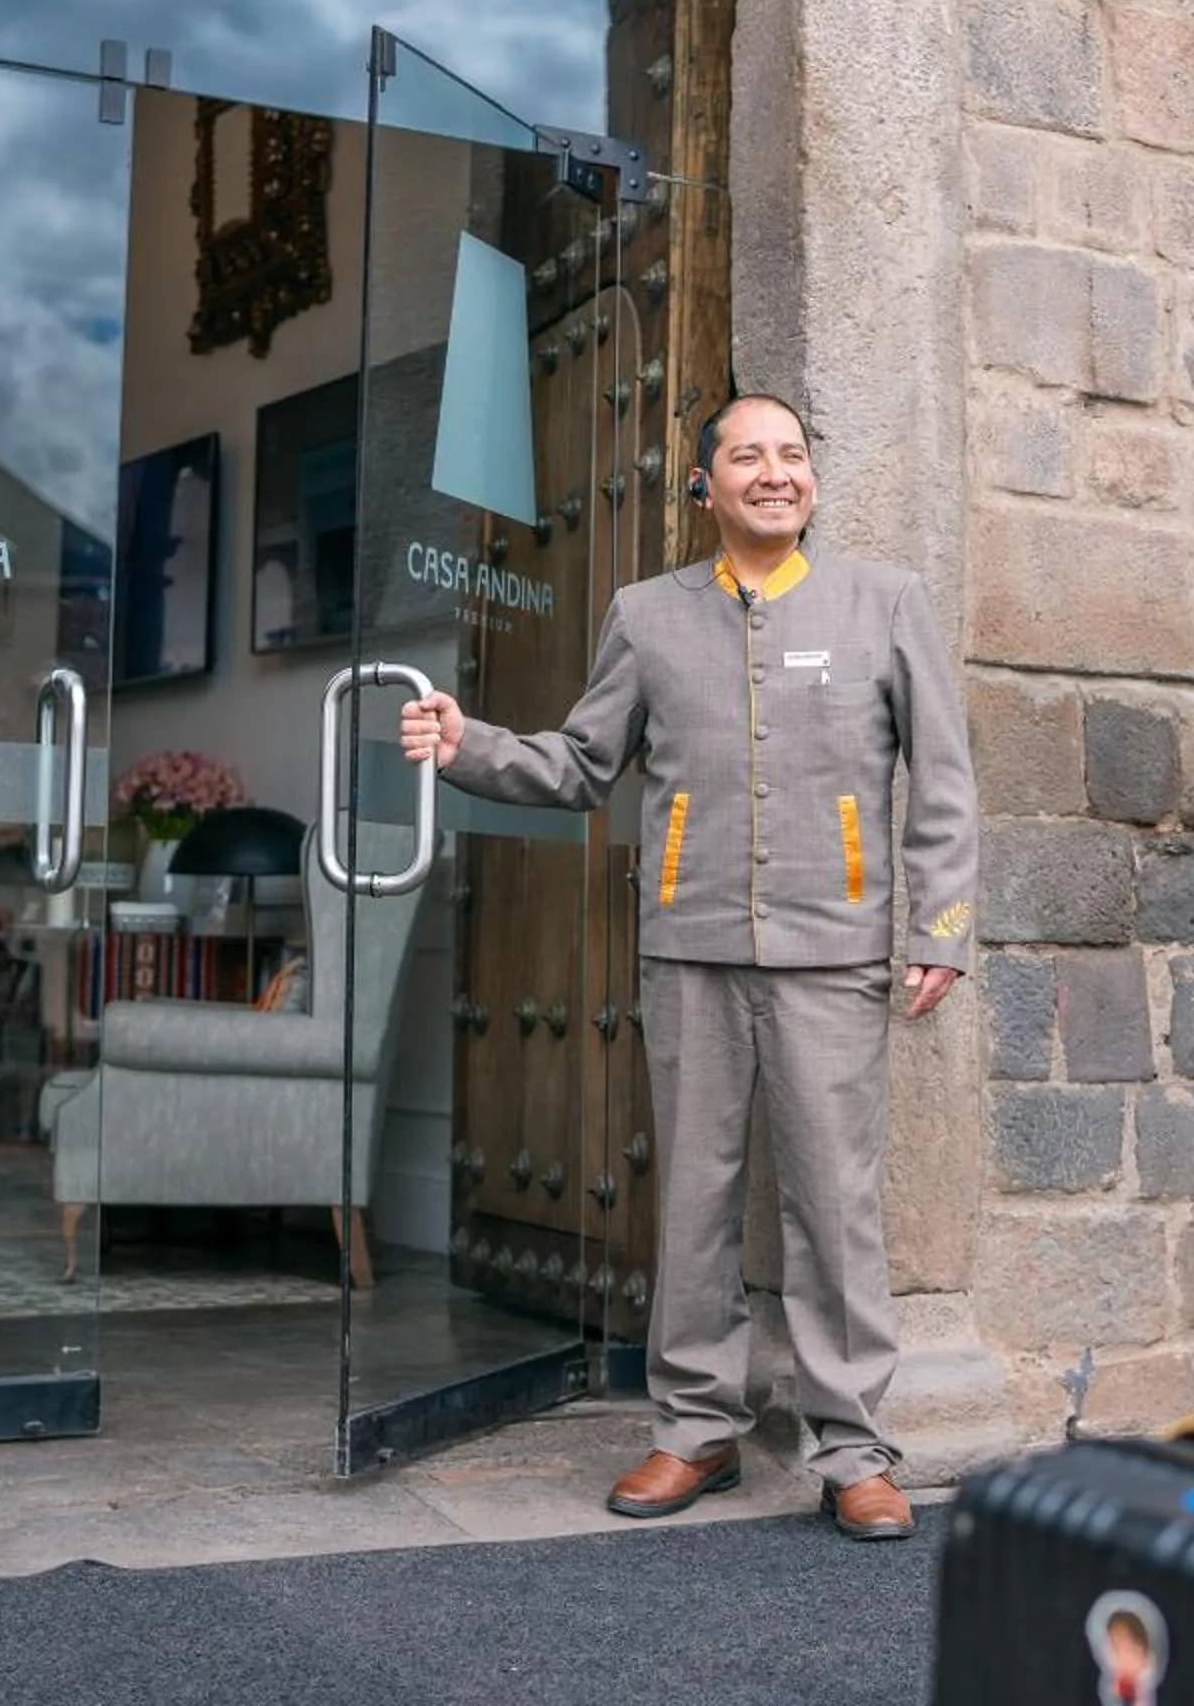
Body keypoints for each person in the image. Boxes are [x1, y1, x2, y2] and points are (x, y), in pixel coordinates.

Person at [397, 393, 977, 1541]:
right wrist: (469, 746)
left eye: (793, 454)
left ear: (813, 479)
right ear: (704, 483)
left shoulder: (883, 602)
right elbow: (581, 761)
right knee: (696, 1200)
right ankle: (697, 1429)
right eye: (747, 455)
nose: (775, 472)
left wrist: (940, 928)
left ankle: (854, 1448)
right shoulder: (648, 615)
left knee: (836, 1203)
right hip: (690, 950)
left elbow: (944, 779)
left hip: (833, 952)